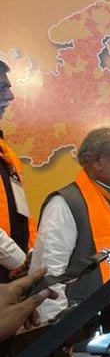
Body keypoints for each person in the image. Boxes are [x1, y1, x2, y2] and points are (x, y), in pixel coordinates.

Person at [31, 128, 110, 331]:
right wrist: (59, 333)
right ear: (97, 162)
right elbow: (47, 273)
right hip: (86, 330)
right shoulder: (65, 203)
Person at [0, 61, 34, 285]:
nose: (10, 96)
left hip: (12, 278)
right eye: (2, 87)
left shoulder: (6, 153)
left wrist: (32, 255)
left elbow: (21, 211)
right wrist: (21, 262)